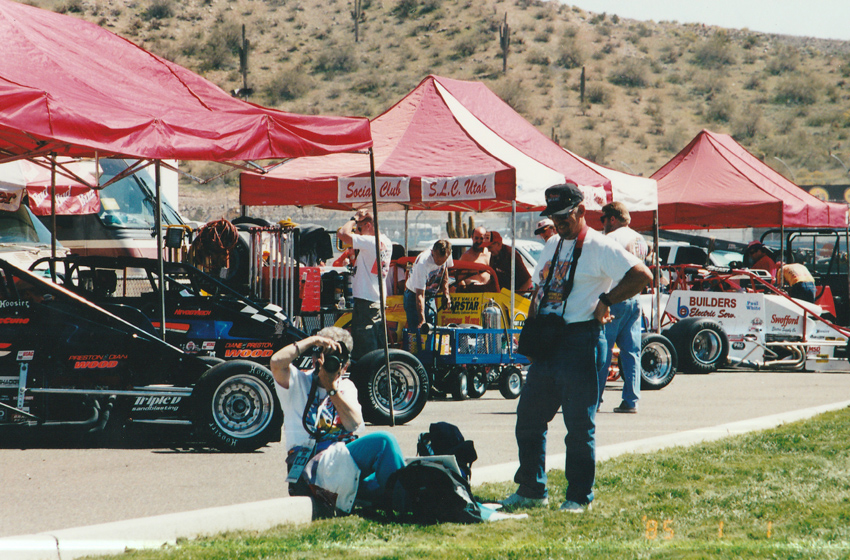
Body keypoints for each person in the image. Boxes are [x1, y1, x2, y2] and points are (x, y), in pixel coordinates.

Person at [500, 183, 652, 513]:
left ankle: (579, 497)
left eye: (564, 217)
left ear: (581, 211)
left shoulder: (599, 245)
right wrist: (532, 331)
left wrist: (607, 300)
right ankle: (532, 489)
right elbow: (540, 288)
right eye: (553, 217)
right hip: (549, 341)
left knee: (579, 426)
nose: (558, 223)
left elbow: (641, 275)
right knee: (529, 418)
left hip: (582, 340)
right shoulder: (552, 243)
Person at [270, 326, 405, 507]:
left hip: (343, 463)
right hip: (312, 464)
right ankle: (405, 504)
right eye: (324, 356)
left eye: (335, 359)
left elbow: (353, 424)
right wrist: (312, 341)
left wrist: (331, 389)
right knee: (384, 441)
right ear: (314, 359)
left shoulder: (346, 386)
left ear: (345, 366)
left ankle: (395, 501)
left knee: (393, 472)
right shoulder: (297, 381)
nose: (328, 363)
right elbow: (276, 361)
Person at [599, 202, 649, 414]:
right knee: (631, 351)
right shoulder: (640, 239)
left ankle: (595, 399)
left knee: (603, 350)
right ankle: (631, 399)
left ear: (612, 218)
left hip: (614, 296)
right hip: (634, 297)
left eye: (603, 219)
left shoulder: (611, 238)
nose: (602, 224)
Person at [337, 209, 392, 361]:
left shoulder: (371, 242)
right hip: (376, 298)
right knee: (376, 345)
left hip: (367, 300)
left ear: (368, 225)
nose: (358, 232)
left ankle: (367, 374)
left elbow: (342, 234)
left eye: (360, 228)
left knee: (365, 349)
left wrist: (354, 218)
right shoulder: (386, 241)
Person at [404, 240, 453, 339]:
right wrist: (422, 320)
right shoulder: (423, 263)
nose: (439, 263)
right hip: (414, 296)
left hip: (430, 295)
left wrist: (446, 293)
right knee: (417, 332)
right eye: (437, 260)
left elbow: (445, 270)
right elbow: (419, 295)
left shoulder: (447, 253)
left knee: (432, 330)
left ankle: (430, 348)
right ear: (432, 252)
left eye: (443, 261)